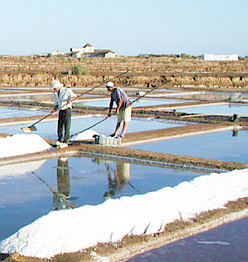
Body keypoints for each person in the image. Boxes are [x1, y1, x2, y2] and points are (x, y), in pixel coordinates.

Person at [50, 80, 77, 148]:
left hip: (67, 109)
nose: (54, 89)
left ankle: (65, 141)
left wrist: (70, 100)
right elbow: (57, 104)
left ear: (58, 86)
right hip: (61, 110)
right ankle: (60, 140)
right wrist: (54, 109)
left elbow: (75, 96)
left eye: (55, 88)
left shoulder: (67, 90)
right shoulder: (56, 94)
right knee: (60, 125)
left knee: (66, 126)